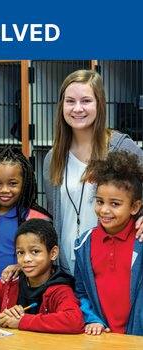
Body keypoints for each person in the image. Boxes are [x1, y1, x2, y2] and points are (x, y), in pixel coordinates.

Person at [43, 69, 143, 274]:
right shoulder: (52, 158)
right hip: (66, 270)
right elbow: (55, 216)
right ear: (62, 105)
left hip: (113, 270)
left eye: (86, 101)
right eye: (70, 101)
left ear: (99, 104)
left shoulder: (121, 147)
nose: (77, 108)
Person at [0, 219, 84, 334]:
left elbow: (74, 320)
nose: (26, 259)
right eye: (20, 252)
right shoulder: (11, 282)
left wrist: (21, 321)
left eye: (35, 251)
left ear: (53, 253)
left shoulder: (60, 289)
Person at [74, 151, 143, 336]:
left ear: (135, 207)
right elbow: (81, 293)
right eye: (99, 201)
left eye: (115, 204)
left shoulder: (141, 241)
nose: (104, 210)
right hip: (102, 338)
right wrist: (92, 319)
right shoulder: (83, 245)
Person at [0, 146, 51, 291]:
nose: (4, 190)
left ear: (25, 183)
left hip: (20, 301)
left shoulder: (37, 220)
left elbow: (47, 261)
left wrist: (22, 266)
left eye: (12, 183)